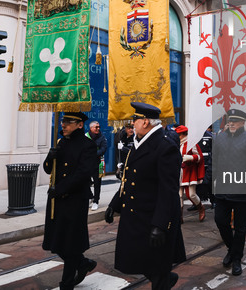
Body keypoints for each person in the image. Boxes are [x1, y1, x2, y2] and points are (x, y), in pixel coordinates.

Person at [105, 103, 185, 290]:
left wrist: (159, 224)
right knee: (139, 259)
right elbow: (129, 179)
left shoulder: (165, 146)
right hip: (136, 217)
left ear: (146, 122)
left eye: (135, 120)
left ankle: (164, 279)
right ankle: (166, 277)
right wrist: (114, 204)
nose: (132, 123)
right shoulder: (139, 143)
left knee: (156, 268)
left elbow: (168, 191)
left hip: (152, 217)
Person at [42, 112, 98, 290]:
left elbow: (82, 174)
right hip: (57, 201)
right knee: (56, 242)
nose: (63, 125)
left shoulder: (88, 145)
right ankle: (82, 263)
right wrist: (50, 157)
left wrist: (60, 189)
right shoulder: (61, 143)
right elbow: (48, 169)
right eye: (63, 121)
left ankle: (66, 284)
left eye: (68, 122)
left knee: (71, 245)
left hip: (74, 200)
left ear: (80, 125)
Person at [213, 109, 246, 276]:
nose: (232, 123)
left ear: (243, 123)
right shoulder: (219, 138)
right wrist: (210, 184)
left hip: (243, 191)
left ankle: (236, 259)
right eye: (230, 120)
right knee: (220, 221)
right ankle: (232, 249)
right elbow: (214, 161)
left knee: (240, 228)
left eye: (235, 121)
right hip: (222, 190)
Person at [175, 125, 206, 222]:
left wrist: (190, 158)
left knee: (191, 194)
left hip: (189, 171)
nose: (177, 136)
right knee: (179, 195)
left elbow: (199, 157)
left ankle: (201, 208)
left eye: (178, 135)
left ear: (183, 134)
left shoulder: (191, 143)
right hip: (178, 172)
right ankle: (179, 216)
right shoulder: (177, 144)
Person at [85, 121, 107, 211]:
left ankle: (96, 201)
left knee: (97, 183)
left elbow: (103, 148)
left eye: (99, 127)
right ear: (91, 128)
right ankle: (91, 196)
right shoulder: (86, 136)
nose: (98, 129)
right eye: (96, 127)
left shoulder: (102, 137)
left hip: (97, 163)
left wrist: (93, 154)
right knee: (85, 181)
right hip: (87, 163)